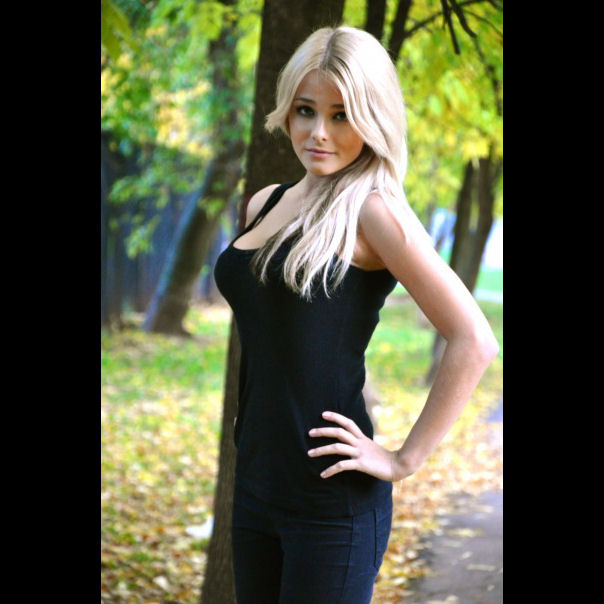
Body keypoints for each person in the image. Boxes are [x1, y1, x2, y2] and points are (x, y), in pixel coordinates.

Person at [213, 25, 498, 604]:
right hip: (256, 486)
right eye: (306, 110)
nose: (318, 132)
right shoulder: (264, 203)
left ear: (372, 119)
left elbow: (474, 338)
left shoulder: (372, 212)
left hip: (331, 504)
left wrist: (402, 459)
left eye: (341, 116)